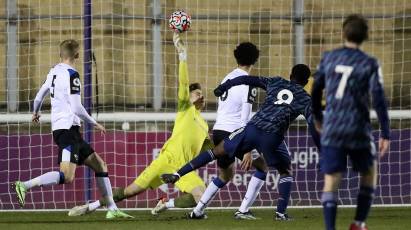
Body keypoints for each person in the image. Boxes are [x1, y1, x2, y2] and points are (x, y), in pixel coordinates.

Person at [68, 33, 210, 217]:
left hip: (182, 168)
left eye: (201, 93)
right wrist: (183, 57)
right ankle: (91, 206)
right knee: (130, 191)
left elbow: (210, 151)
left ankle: (167, 203)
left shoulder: (205, 125)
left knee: (202, 195)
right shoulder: (185, 109)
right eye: (197, 93)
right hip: (165, 160)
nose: (201, 95)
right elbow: (183, 84)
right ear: (189, 98)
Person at [162, 64, 320, 221]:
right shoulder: (306, 99)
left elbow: (246, 79)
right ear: (306, 82)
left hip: (252, 128)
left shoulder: (276, 81)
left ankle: (178, 174)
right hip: (272, 136)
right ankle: (279, 214)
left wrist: (224, 86)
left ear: (290, 75)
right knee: (284, 171)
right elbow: (314, 126)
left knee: (216, 152)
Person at [12, 39, 131, 219]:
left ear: (61, 54)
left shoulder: (53, 71)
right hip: (66, 130)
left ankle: (112, 209)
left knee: (100, 164)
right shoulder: (72, 74)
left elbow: (38, 97)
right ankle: (24, 185)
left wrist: (35, 112)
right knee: (67, 176)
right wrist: (94, 122)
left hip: (68, 131)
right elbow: (76, 108)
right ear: (77, 55)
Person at [311, 14, 390, 230]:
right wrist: (385, 132)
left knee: (331, 180)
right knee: (369, 172)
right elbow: (379, 98)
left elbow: (316, 90)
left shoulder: (328, 58)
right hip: (358, 129)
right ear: (365, 37)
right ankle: (358, 223)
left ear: (343, 33)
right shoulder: (370, 63)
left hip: (333, 127)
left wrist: (318, 118)